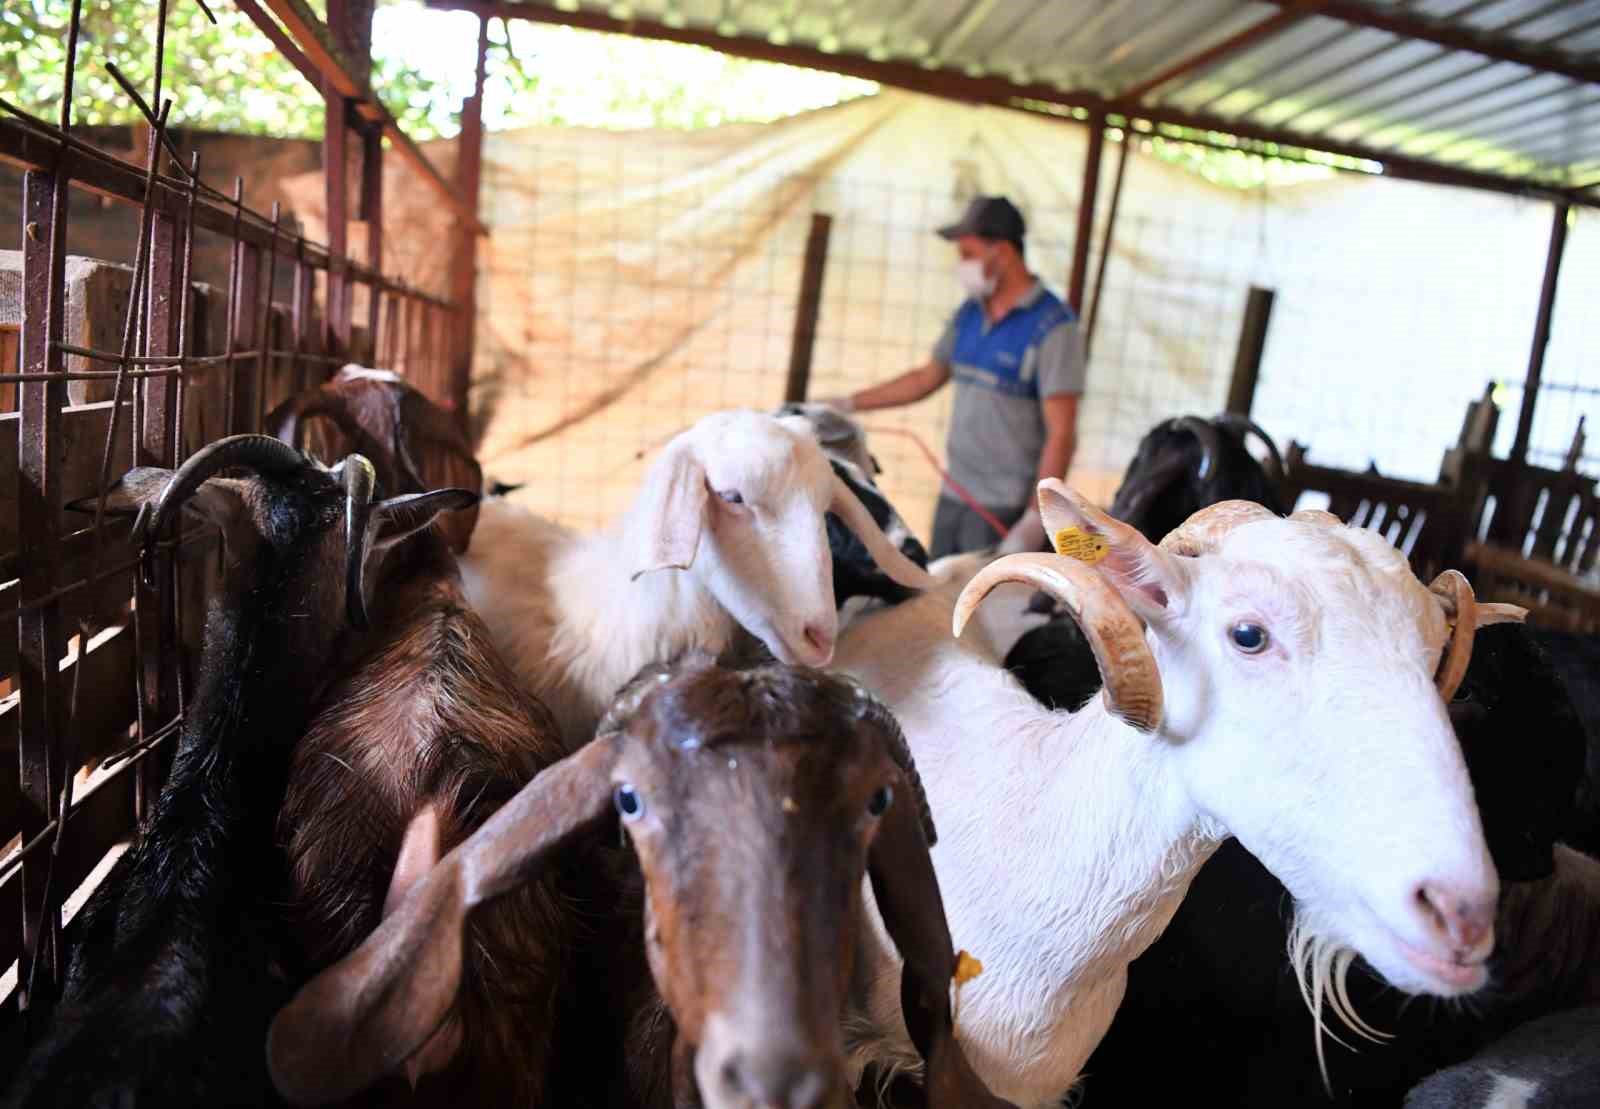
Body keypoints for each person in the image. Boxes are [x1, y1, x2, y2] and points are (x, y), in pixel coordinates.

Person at [816, 195, 1085, 559]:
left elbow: (1062, 432)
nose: (962, 266)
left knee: (981, 608)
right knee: (940, 591)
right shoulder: (971, 314)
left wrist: (1036, 519)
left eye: (968, 255)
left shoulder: (1054, 327)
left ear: (1003, 253)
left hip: (1003, 507)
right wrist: (845, 404)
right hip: (955, 494)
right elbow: (925, 378)